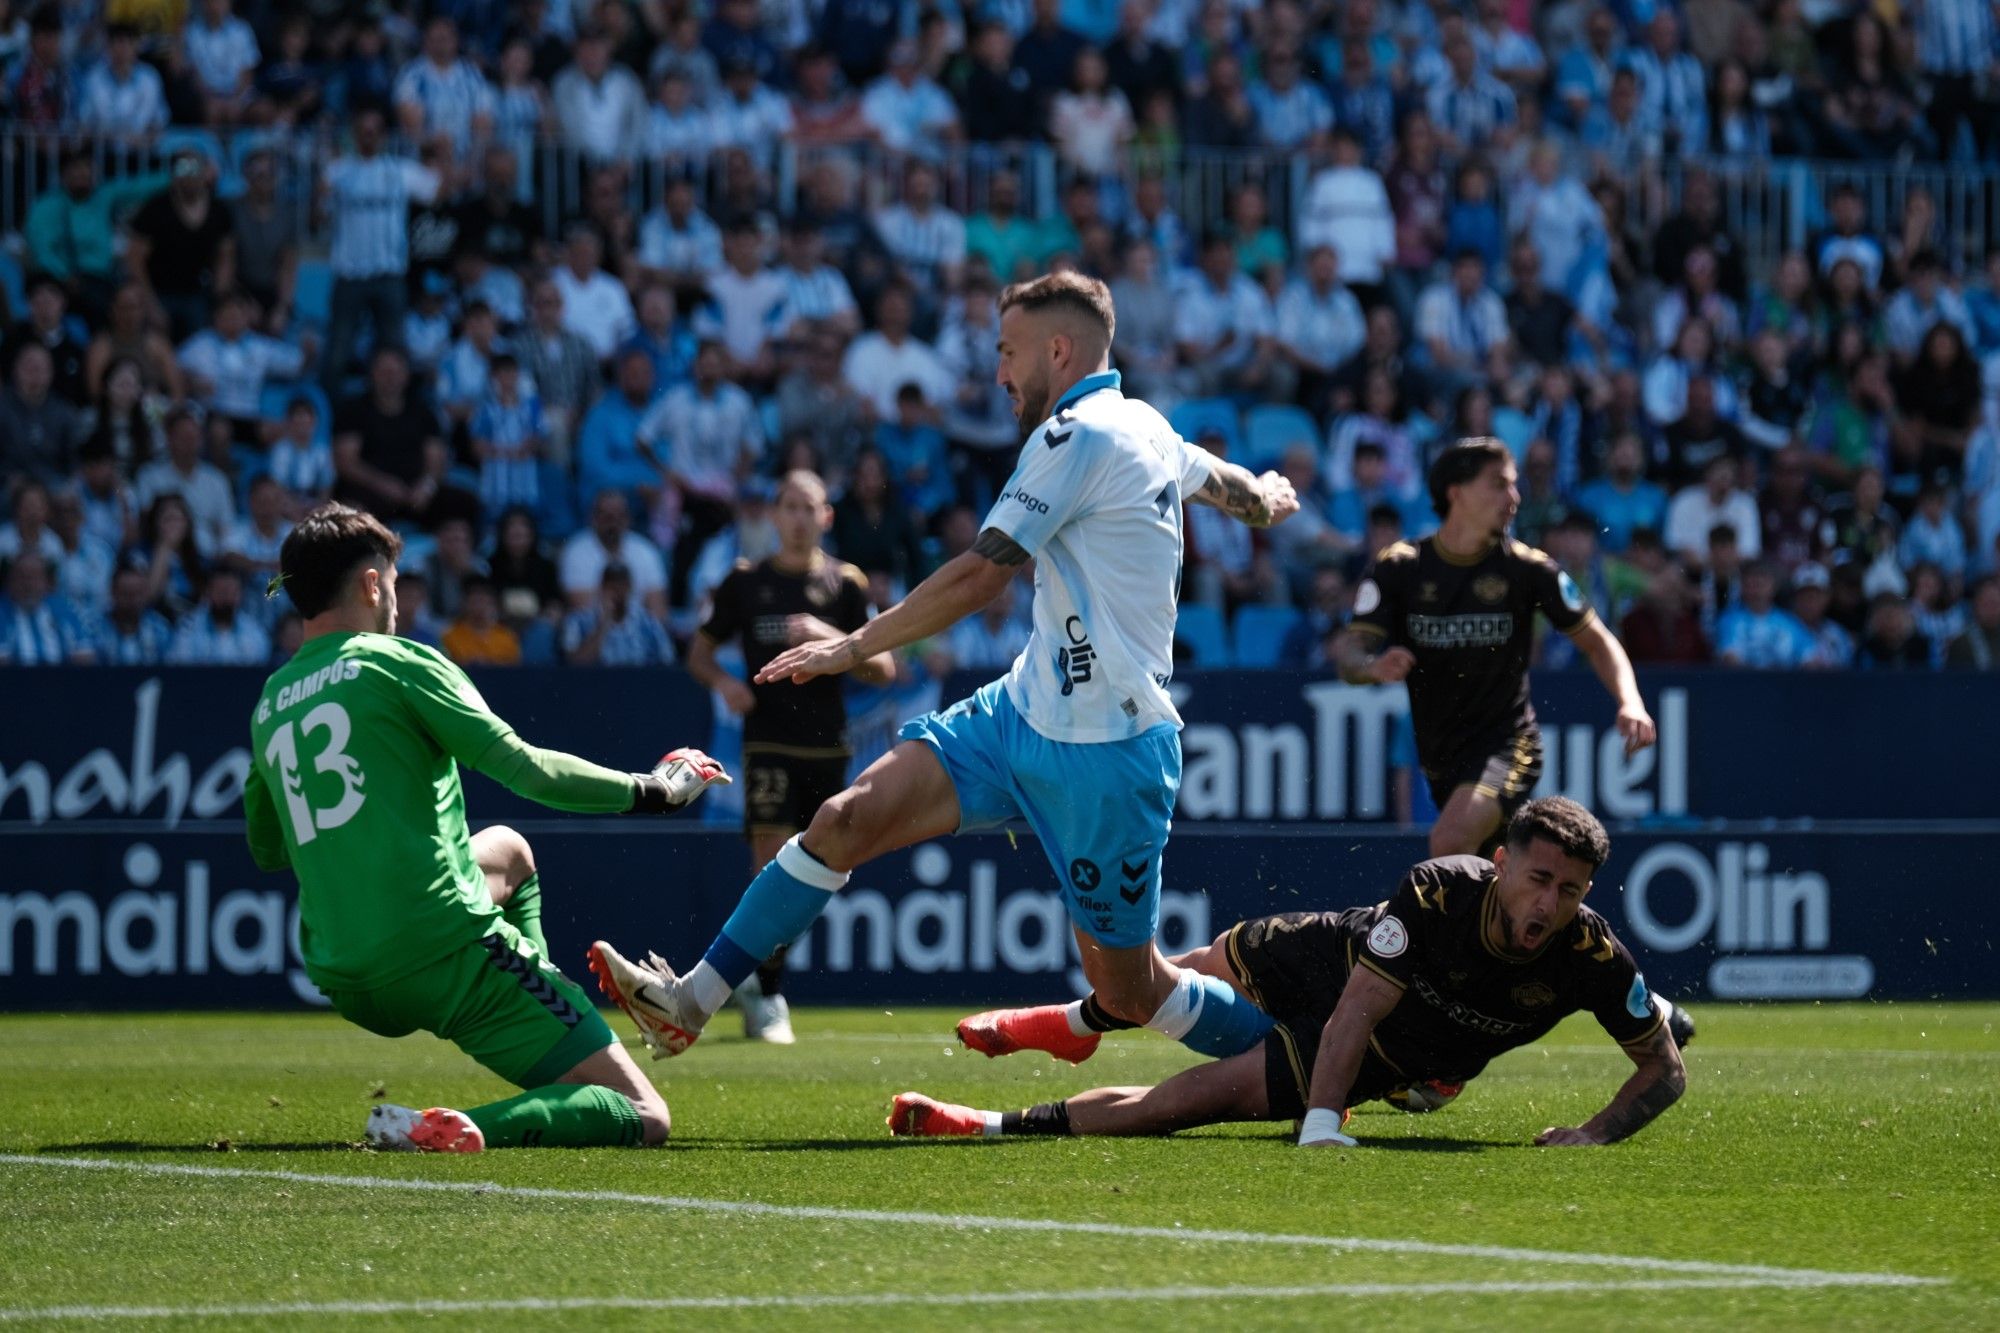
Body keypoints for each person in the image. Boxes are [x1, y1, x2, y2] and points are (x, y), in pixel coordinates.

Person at [589, 272, 1300, 1065]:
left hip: (1108, 748)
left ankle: (1311, 1051)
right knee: (843, 817)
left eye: (1007, 351)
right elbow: (1227, 484)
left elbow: (980, 574)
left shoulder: (1078, 436)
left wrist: (853, 645)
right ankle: (690, 1002)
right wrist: (1265, 497)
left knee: (1131, 991)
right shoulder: (1149, 426)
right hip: (1019, 713)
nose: (997, 373)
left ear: (1058, 351)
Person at [242, 503, 729, 1152]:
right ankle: (457, 1126)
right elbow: (531, 772)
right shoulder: (398, 662)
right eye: (392, 578)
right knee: (642, 1113)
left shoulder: (272, 701)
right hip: (442, 950)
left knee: (511, 850)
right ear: (370, 583)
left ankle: (545, 989)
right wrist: (654, 791)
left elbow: (267, 848)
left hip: (344, 973)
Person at [902, 799, 1687, 1148]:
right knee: (1166, 979)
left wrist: (1595, 1132)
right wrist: (1320, 1125)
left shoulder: (1589, 956)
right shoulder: (1438, 888)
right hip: (1332, 960)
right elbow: (1354, 1007)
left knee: (1176, 1106)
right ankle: (1078, 1024)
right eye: (1538, 879)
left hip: (1379, 1055)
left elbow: (1665, 1066)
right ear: (1502, 862)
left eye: (1570, 889)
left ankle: (986, 1122)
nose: (1548, 903)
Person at [1329, 438, 1655, 867]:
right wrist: (1373, 666)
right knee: (1493, 882)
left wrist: (1630, 701)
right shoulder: (1400, 568)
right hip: (1441, 757)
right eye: (1499, 485)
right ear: (1456, 492)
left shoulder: (1528, 569)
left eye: (1514, 485)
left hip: (1509, 745)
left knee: (1448, 844)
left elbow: (1598, 641)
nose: (1514, 498)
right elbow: (1349, 654)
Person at [686, 471, 889, 1044]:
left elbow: (886, 667)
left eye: (810, 508)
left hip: (827, 745)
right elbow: (699, 653)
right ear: (773, 516)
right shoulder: (745, 584)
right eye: (789, 507)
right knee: (769, 863)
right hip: (768, 742)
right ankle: (768, 993)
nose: (799, 518)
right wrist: (725, 685)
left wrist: (835, 638)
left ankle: (757, 980)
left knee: (817, 873)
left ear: (827, 516)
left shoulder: (845, 585)